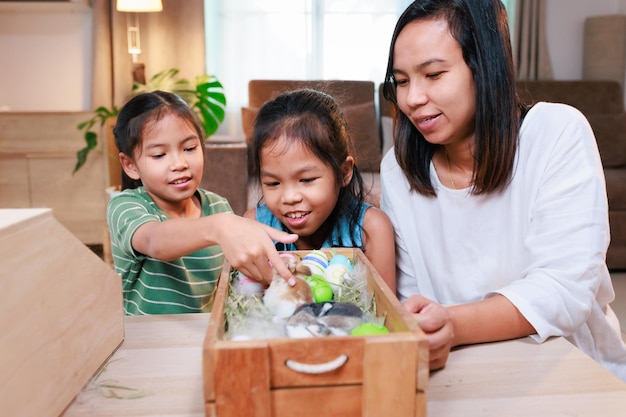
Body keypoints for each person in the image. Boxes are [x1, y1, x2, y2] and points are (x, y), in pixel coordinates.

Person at [380, 0, 626, 381]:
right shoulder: (397, 170)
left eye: (433, 74)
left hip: (569, 372)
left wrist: (453, 323)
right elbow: (412, 296)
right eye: (402, 80)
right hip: (458, 373)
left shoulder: (555, 132)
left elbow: (563, 291)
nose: (412, 99)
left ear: (484, 68)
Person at [107, 90, 298, 315]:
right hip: (148, 340)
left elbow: (226, 283)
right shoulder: (126, 206)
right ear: (130, 165)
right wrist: (219, 227)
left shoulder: (217, 206)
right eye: (159, 155)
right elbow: (154, 241)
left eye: (189, 148)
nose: (179, 163)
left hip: (202, 335)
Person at [244, 88, 396, 292]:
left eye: (306, 180)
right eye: (273, 183)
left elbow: (386, 311)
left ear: (343, 173)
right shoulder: (255, 227)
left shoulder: (371, 230)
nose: (289, 197)